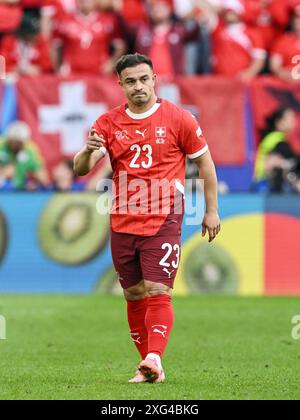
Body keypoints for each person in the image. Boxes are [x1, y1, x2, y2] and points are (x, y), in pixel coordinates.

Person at [74, 53, 220, 383]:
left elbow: (206, 165)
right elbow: (82, 168)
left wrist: (211, 210)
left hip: (165, 214)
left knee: (158, 288)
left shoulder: (179, 118)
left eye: (144, 79)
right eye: (131, 81)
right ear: (120, 85)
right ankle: (150, 365)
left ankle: (154, 356)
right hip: (123, 218)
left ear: (154, 79)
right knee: (134, 294)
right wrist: (86, 150)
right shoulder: (108, 123)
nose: (138, 86)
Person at [254, 108, 300, 193]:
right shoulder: (274, 139)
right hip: (264, 187)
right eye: (290, 119)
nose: (294, 122)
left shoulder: (276, 138)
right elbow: (293, 157)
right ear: (279, 122)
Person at [0, 121, 50, 191]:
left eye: (19, 142)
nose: (16, 145)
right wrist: (3, 173)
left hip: (18, 192)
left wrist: (37, 179)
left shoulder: (30, 149)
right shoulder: (1, 145)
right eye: (14, 141)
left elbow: (42, 175)